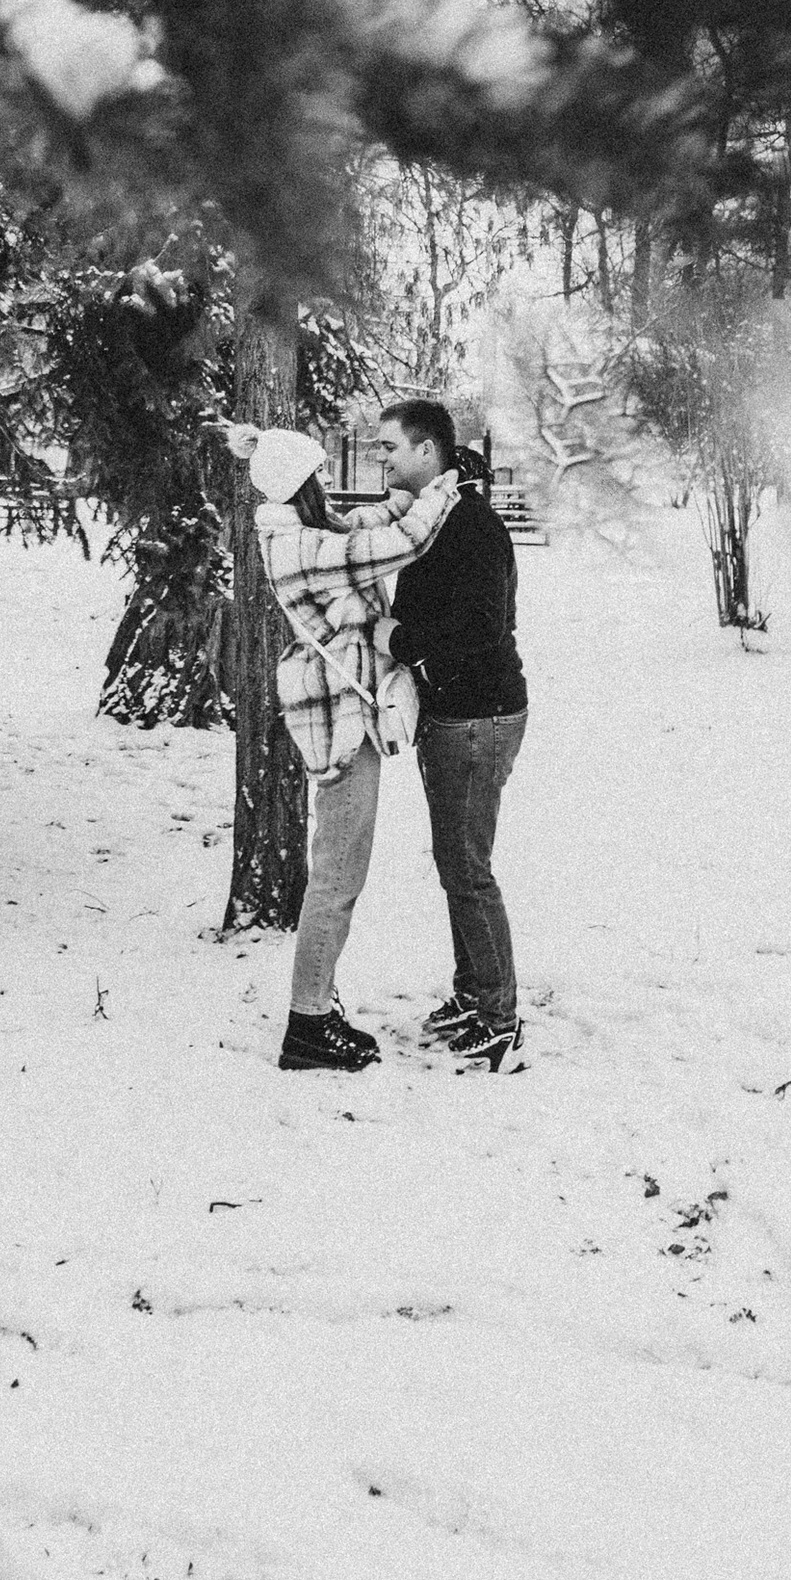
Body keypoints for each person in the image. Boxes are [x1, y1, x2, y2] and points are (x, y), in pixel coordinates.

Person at [230, 421, 458, 1075]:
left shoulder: (307, 533)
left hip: (344, 712)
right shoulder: (298, 546)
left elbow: (365, 525)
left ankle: (317, 1005)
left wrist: (404, 497)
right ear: (297, 485)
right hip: (339, 721)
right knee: (337, 875)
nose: (327, 483)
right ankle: (307, 1025)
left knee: (340, 869)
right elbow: (398, 542)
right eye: (319, 476)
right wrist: (442, 488)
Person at [378, 398, 528, 1067]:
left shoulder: (471, 527)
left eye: (390, 447)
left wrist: (399, 639)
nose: (382, 457)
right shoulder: (435, 518)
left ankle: (499, 1017)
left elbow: (480, 630)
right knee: (455, 863)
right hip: (455, 713)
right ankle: (474, 995)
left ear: (428, 452)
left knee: (468, 868)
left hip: (478, 716)